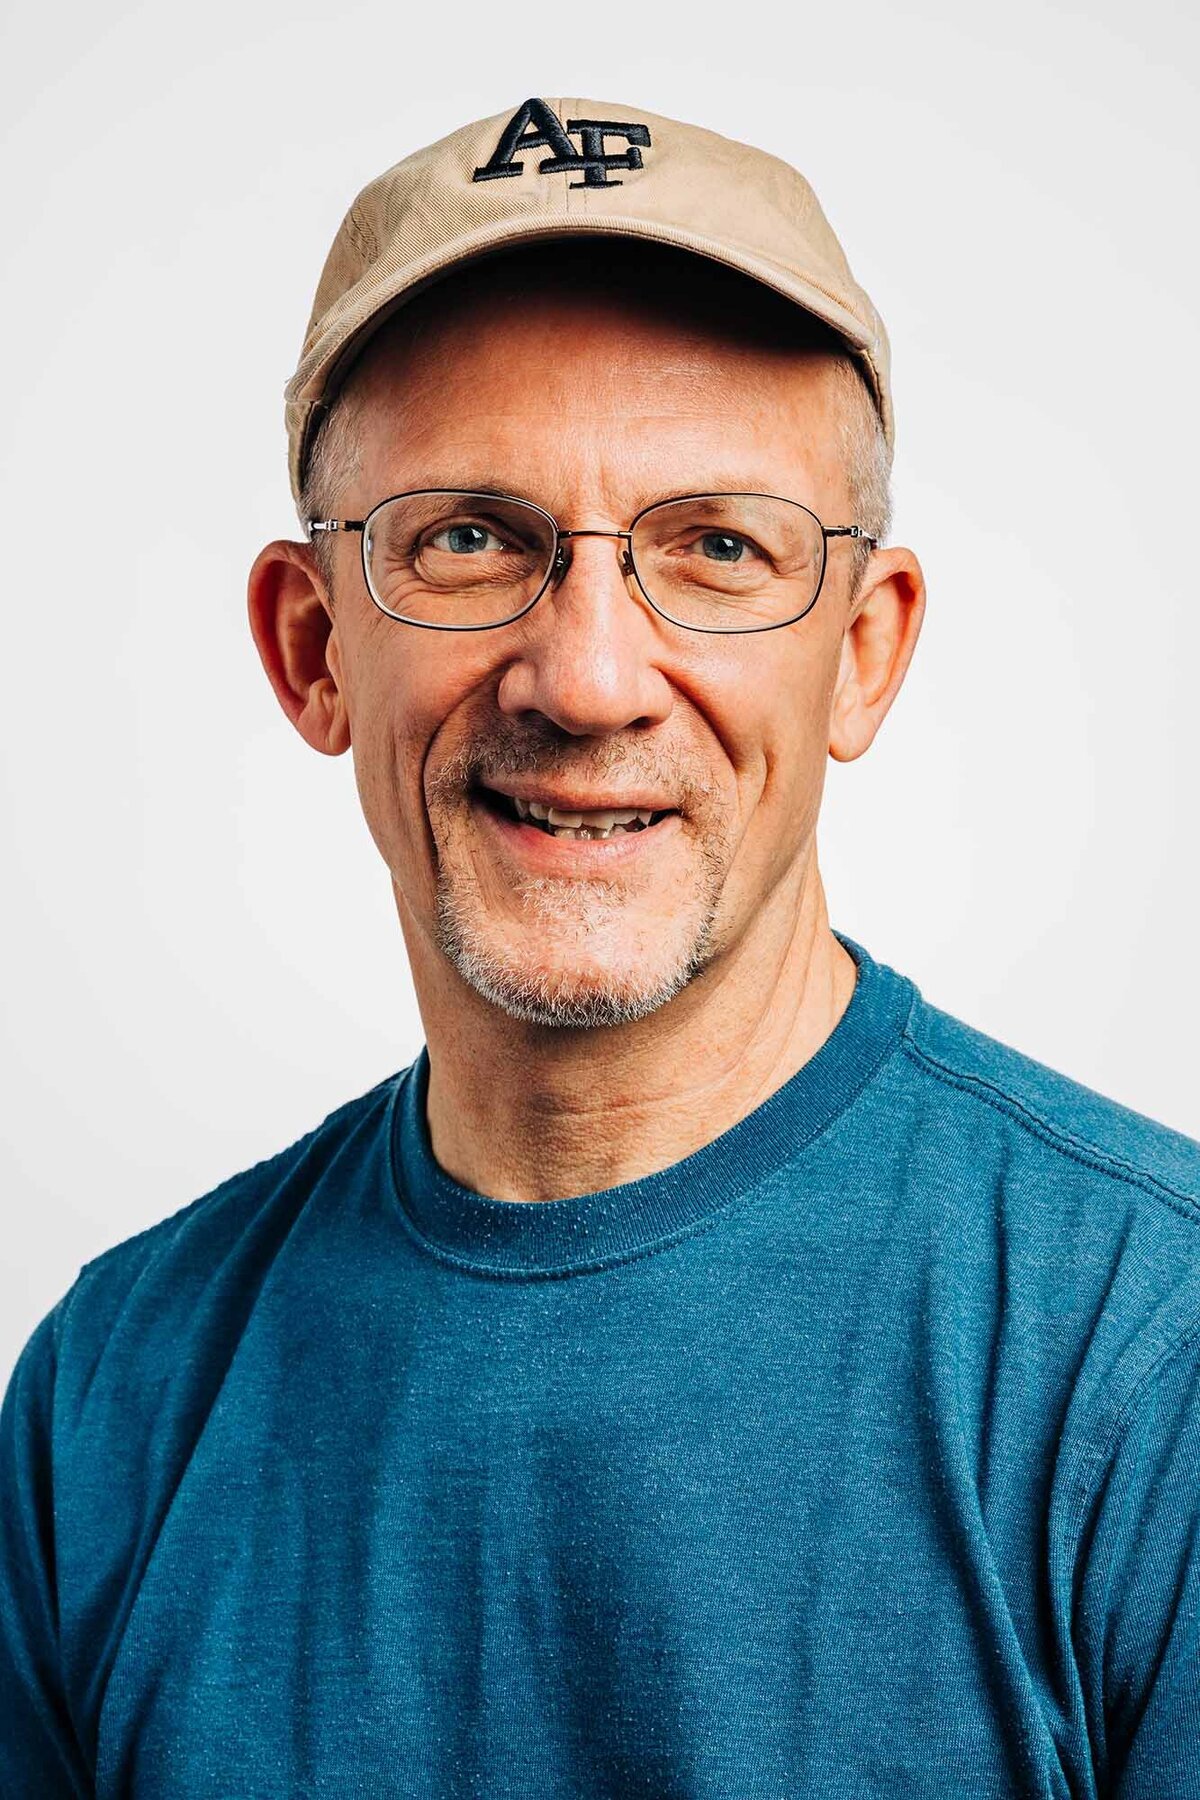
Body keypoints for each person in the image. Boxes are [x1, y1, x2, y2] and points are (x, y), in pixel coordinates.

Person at [2, 94, 1197, 1799]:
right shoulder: (107, 1402)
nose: (586, 678)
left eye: (718, 550)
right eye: (470, 540)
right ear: (309, 647)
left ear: (864, 654)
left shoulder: (1152, 1368)